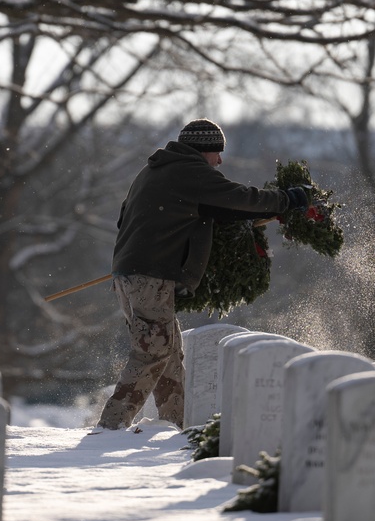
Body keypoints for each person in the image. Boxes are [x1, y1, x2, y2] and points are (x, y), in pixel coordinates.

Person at [96, 118, 311, 430]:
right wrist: (288, 199)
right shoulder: (188, 170)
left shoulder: (156, 171)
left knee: (169, 352)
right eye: (217, 153)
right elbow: (239, 196)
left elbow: (219, 208)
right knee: (153, 350)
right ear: (203, 150)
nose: (220, 160)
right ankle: (111, 426)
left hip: (128, 274)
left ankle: (172, 426)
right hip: (149, 276)